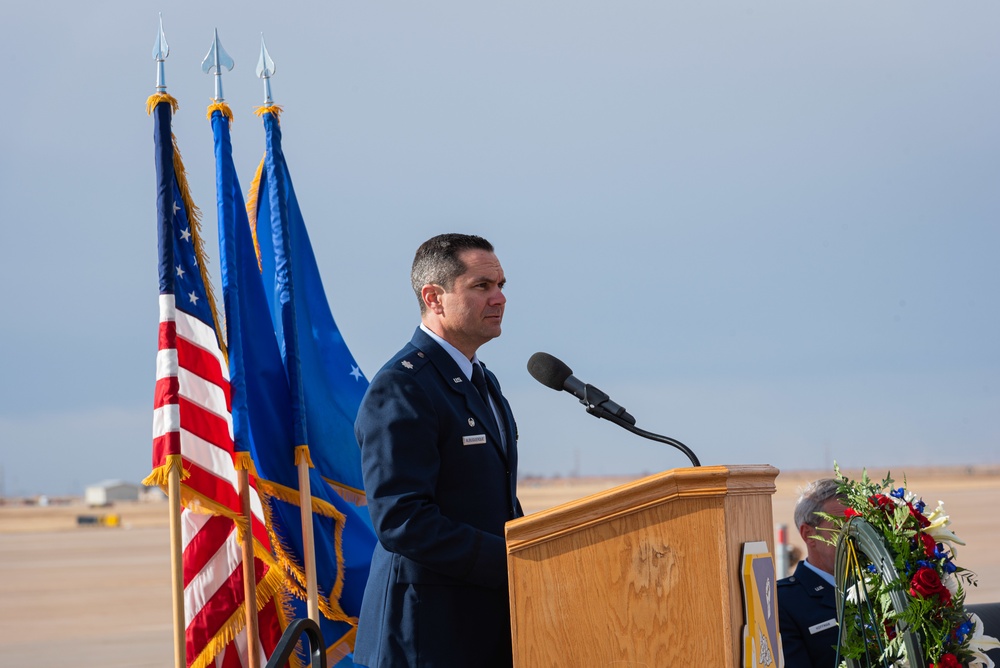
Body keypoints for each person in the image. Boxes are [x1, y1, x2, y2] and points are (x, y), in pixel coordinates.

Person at [353, 233, 522, 668]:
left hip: (481, 628)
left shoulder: (481, 382)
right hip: (423, 636)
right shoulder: (404, 386)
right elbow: (402, 519)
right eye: (481, 286)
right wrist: (511, 562)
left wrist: (536, 548)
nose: (499, 298)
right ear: (434, 297)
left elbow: (492, 500)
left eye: (501, 285)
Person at [777, 478, 846, 668]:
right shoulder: (785, 602)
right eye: (840, 529)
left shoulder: (876, 583)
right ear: (809, 535)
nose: (851, 540)